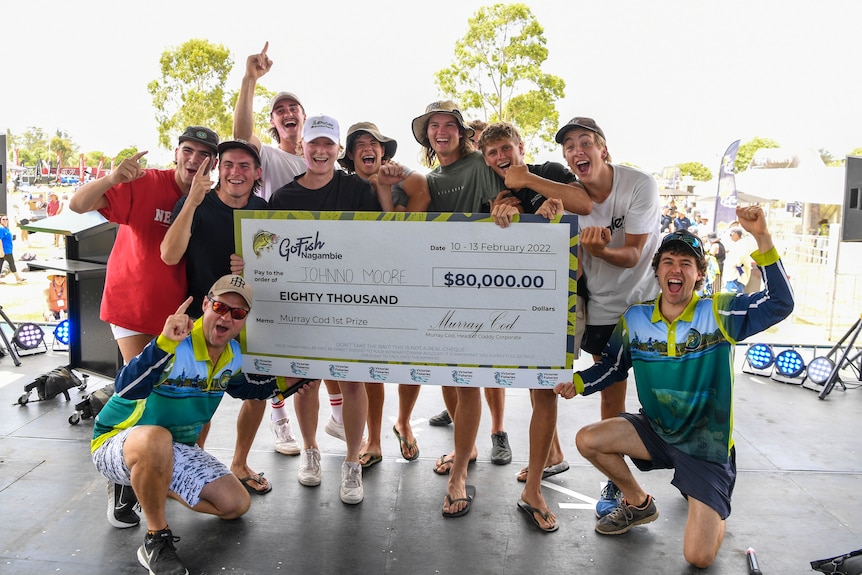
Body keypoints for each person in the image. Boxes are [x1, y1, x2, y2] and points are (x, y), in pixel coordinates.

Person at [555, 207, 793, 567]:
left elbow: (781, 303)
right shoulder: (635, 318)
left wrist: (762, 237)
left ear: (699, 275)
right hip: (656, 431)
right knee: (588, 440)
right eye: (668, 261)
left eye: (686, 263)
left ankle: (714, 508)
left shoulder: (719, 313)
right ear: (658, 272)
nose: (675, 269)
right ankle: (638, 503)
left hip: (705, 446)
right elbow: (613, 367)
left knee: (698, 558)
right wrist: (577, 382)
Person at [91, 275, 308, 575]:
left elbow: (249, 390)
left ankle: (142, 483)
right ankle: (156, 539)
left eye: (238, 313)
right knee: (156, 439)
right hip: (116, 442)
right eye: (220, 306)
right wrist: (162, 344)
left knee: (235, 505)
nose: (226, 316)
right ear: (205, 305)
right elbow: (126, 387)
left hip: (173, 448)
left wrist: (297, 380)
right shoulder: (175, 343)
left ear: (244, 320)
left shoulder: (231, 355)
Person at [69, 125, 219, 529]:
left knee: (187, 398)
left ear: (214, 164)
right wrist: (113, 177)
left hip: (180, 316)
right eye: (188, 151)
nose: (194, 160)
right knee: (144, 396)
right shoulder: (144, 182)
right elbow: (78, 203)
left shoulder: (210, 199)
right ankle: (123, 479)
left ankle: (173, 470)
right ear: (176, 153)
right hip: (132, 308)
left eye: (204, 155)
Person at [477, 121, 593, 532]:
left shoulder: (550, 172)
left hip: (559, 301)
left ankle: (535, 489)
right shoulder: (498, 192)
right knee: (534, 389)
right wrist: (504, 214)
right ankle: (548, 460)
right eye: (491, 153)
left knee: (544, 392)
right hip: (517, 303)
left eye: (505, 148)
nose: (500, 158)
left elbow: (581, 201)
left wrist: (546, 195)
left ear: (520, 146)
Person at [268, 114, 380, 504]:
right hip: (302, 306)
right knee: (306, 381)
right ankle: (310, 451)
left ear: (338, 150)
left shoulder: (357, 190)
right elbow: (270, 254)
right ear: (302, 147)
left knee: (353, 382)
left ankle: (351, 464)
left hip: (351, 304)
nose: (320, 151)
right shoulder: (282, 198)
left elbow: (376, 241)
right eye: (314, 143)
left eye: (328, 144)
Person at [554, 116, 661, 517]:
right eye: (569, 147)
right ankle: (617, 480)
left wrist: (598, 251)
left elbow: (633, 254)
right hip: (600, 307)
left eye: (585, 142)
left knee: (663, 393)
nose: (577, 150)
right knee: (611, 396)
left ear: (603, 149)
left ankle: (697, 462)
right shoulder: (569, 198)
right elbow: (576, 270)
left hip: (647, 306)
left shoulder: (639, 184)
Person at [411, 100, 509, 517]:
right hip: (440, 288)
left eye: (449, 124)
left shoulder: (480, 166)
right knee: (448, 376)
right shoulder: (429, 178)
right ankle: (463, 451)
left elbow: (504, 202)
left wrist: (509, 206)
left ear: (462, 131)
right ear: (427, 135)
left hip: (481, 285)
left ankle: (460, 476)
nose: (441, 131)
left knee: (467, 378)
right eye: (434, 126)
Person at [160, 139, 273, 494]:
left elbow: (279, 265)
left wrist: (256, 266)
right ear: (217, 169)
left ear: (257, 173)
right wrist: (191, 201)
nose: (235, 172)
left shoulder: (264, 210)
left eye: (244, 166)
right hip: (202, 318)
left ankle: (239, 463)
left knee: (257, 394)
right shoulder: (197, 202)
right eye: (228, 165)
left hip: (250, 319)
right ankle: (194, 463)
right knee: (200, 394)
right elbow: (168, 254)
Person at [338, 121, 430, 467]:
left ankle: (403, 421)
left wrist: (390, 183)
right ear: (349, 154)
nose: (368, 148)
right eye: (359, 143)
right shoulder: (342, 185)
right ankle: (373, 440)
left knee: (411, 363)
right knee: (368, 366)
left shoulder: (404, 180)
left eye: (374, 143)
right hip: (362, 287)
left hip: (406, 282)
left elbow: (415, 207)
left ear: (383, 151)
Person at [0, 214, 27, 284]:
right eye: (3, 219)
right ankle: (18, 278)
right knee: (11, 263)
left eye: (6, 219)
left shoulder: (6, 228)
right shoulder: (1, 229)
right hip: (4, 251)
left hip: (8, 249)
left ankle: (18, 278)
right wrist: (1, 251)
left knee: (8, 264)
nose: (5, 221)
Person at [723, 227, 750, 293]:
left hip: (736, 276)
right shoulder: (736, 244)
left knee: (733, 297)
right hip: (731, 275)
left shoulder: (742, 244)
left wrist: (737, 266)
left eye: (731, 235)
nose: (730, 237)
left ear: (736, 234)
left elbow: (741, 259)